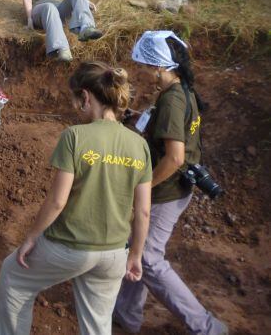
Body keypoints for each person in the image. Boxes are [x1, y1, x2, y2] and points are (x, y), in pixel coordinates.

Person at [0, 61, 152, 335]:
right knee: (98, 324)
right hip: (114, 253)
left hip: (70, 248)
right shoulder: (139, 144)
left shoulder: (74, 136)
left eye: (76, 100)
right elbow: (144, 211)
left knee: (14, 278)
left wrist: (31, 237)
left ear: (86, 97)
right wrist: (136, 253)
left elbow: (57, 201)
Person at [113, 31, 228, 335]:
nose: (137, 70)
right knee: (135, 246)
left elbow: (175, 158)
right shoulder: (179, 90)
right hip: (171, 187)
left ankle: (207, 327)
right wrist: (137, 118)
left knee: (148, 258)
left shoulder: (173, 101)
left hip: (167, 190)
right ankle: (126, 313)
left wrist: (144, 186)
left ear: (159, 67)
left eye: (141, 65)